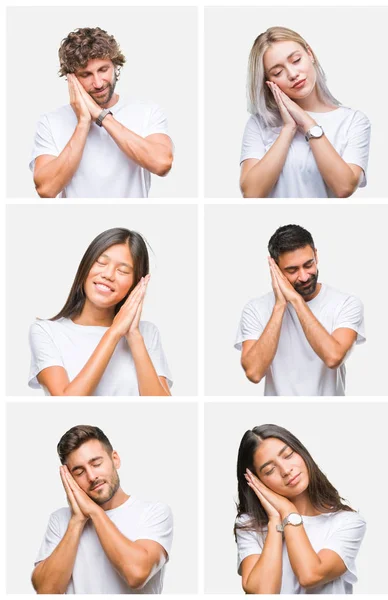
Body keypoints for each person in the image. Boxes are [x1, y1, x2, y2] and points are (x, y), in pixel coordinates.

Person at [30, 27, 173, 198]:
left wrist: (101, 116)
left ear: (115, 65)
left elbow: (162, 164)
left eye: (103, 70)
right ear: (71, 78)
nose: (98, 83)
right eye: (86, 74)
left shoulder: (147, 111)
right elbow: (46, 189)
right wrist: (83, 122)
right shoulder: (51, 122)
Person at [28, 227, 172, 396]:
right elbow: (67, 403)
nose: (108, 275)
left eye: (123, 271)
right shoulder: (47, 332)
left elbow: (161, 408)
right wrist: (114, 333)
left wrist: (133, 335)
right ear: (86, 265)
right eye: (101, 263)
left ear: (135, 284)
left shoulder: (147, 333)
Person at [32, 425, 173, 594]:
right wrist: (77, 521)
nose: (92, 477)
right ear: (69, 478)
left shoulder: (154, 513)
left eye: (96, 463)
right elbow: (46, 591)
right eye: (79, 472)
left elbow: (137, 574)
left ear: (115, 459)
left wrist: (94, 511)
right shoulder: (61, 520)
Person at [240, 26, 371, 198]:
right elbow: (252, 193)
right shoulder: (259, 124)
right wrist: (288, 129)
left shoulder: (353, 121)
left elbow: (344, 187)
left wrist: (307, 123)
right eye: (278, 72)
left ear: (310, 54)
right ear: (268, 82)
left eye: (296, 60)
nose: (293, 74)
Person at [235, 424, 366, 594]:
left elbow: (310, 575)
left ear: (302, 452)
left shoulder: (347, 522)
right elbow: (263, 593)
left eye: (288, 455)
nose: (286, 470)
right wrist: (275, 518)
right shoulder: (249, 525)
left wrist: (289, 511)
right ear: (257, 481)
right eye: (270, 470)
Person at [235, 224, 365, 396]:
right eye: (292, 270)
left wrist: (296, 300)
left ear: (316, 256)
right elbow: (254, 372)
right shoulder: (255, 309)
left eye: (308, 265)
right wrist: (280, 305)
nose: (304, 277)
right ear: (275, 269)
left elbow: (333, 357)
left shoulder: (346, 303)